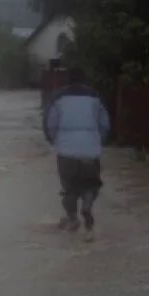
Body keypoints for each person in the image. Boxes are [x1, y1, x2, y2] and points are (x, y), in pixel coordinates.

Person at [43, 67, 110, 238]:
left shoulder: (58, 98)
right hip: (91, 151)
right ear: (84, 79)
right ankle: (87, 208)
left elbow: (50, 125)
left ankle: (72, 219)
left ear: (67, 79)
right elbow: (105, 125)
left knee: (69, 188)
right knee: (91, 184)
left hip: (66, 152)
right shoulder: (95, 98)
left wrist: (54, 141)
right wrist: (97, 141)